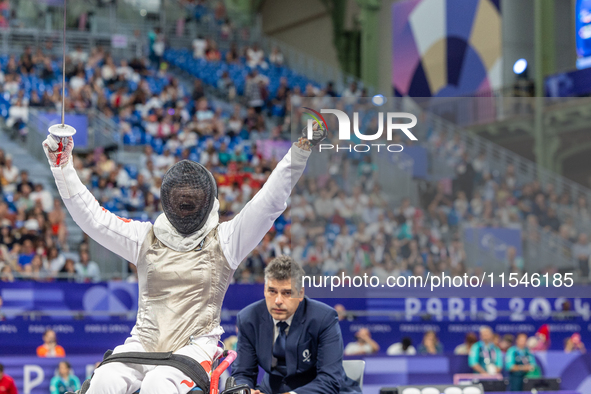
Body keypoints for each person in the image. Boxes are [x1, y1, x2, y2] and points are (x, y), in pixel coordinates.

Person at [42, 123, 323, 394]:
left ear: (206, 201)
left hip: (196, 346)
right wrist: (62, 165)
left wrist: (299, 151)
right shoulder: (146, 238)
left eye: (192, 198)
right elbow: (93, 220)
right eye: (181, 197)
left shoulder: (225, 240)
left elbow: (268, 203)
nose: (186, 204)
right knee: (103, 380)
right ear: (168, 200)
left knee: (158, 384)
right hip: (145, 341)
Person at [232, 256, 361, 394]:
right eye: (272, 291)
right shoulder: (248, 319)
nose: (278, 300)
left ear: (300, 293)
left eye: (287, 293)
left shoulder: (324, 318)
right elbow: (242, 373)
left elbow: (330, 380)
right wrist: (246, 391)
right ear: (264, 290)